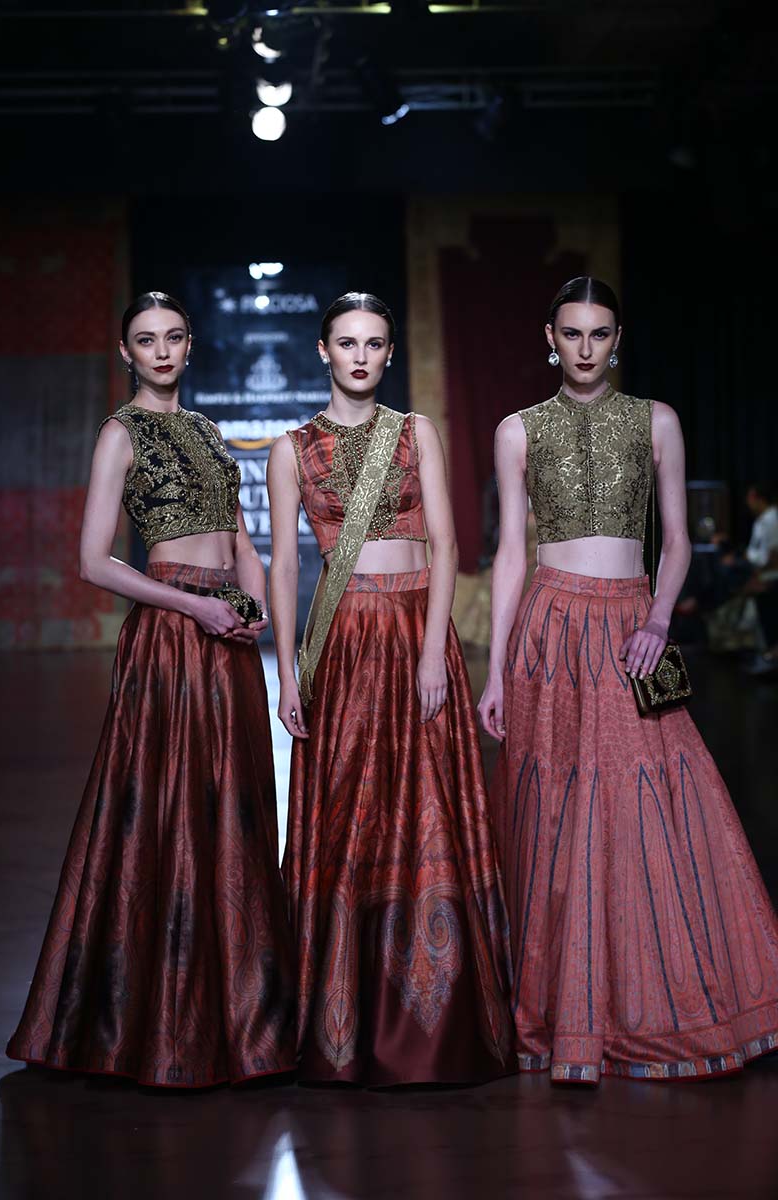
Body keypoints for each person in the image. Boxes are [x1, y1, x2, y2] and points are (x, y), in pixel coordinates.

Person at [479, 276, 778, 1083]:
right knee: (555, 809)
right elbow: (510, 554)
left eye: (600, 333)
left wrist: (658, 619)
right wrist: (496, 668)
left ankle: (655, 999)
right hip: (547, 629)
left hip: (631, 628)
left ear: (618, 340)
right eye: (572, 333)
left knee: (657, 791)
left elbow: (678, 541)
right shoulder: (517, 430)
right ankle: (563, 1011)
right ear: (550, 338)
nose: (585, 348)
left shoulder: (657, 421)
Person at [6, 291, 295, 1088]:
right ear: (126, 353)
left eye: (173, 337)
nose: (161, 351)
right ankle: (156, 1022)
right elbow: (93, 562)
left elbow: (241, 541)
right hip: (170, 635)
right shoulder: (119, 433)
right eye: (145, 340)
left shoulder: (208, 430)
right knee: (161, 811)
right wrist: (192, 606)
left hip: (227, 636)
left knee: (231, 807)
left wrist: (254, 609)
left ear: (190, 346)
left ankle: (244, 1014)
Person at [267, 292, 513, 1085]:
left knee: (428, 807)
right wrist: (288, 670)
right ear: (323, 351)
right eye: (347, 343)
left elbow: (445, 545)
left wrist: (436, 652)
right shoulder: (291, 449)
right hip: (342, 642)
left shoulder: (416, 432)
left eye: (374, 344)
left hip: (416, 633)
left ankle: (438, 1020)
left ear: (390, 353)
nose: (361, 356)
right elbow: (282, 567)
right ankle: (346, 1018)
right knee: (352, 814)